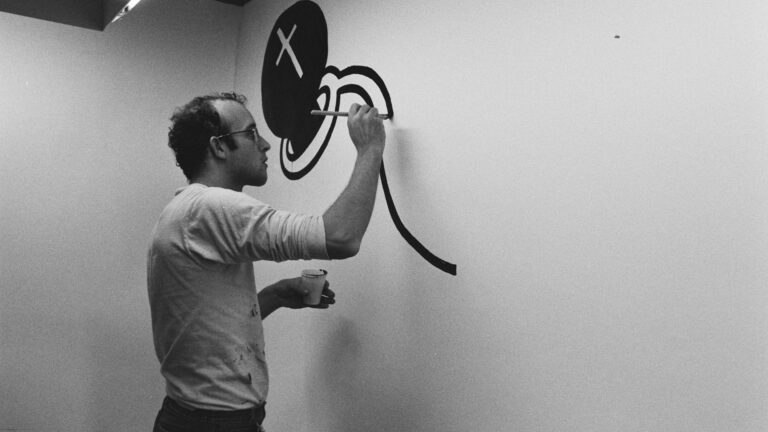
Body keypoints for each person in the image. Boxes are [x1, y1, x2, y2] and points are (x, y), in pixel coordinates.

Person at [147, 92, 385, 432]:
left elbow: (199, 329)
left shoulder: (187, 212)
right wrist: (370, 149)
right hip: (214, 424)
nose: (266, 145)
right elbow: (340, 237)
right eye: (251, 133)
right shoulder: (209, 207)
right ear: (218, 147)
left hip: (200, 418)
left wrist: (274, 295)